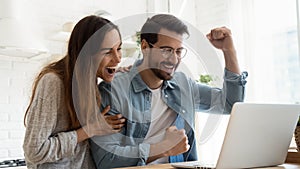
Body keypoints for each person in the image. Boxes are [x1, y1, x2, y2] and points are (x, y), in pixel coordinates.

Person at [90, 14, 248, 168]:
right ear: (145, 47)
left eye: (178, 51)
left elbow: (230, 104)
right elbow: (107, 159)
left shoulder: (183, 84)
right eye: (166, 50)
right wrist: (162, 148)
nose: (173, 59)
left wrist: (229, 50)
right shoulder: (113, 91)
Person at [23, 15, 126, 169]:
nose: (117, 59)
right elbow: (34, 151)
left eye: (119, 49)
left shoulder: (89, 83)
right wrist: (89, 130)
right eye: (107, 52)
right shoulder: (53, 82)